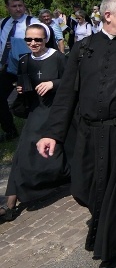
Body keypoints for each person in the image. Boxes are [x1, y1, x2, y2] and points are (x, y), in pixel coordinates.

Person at [36, 0, 116, 267]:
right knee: (84, 188)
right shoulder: (82, 49)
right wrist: (52, 133)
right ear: (108, 16)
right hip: (88, 132)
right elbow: (66, 97)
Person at [0, 24, 68, 223]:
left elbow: (73, 81)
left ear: (45, 39)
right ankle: (10, 204)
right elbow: (24, 84)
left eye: (38, 39)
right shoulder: (24, 60)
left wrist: (53, 83)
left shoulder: (58, 58)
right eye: (29, 40)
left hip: (56, 111)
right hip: (36, 111)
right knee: (21, 153)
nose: (33, 43)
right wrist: (22, 89)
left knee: (64, 153)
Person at [0, 0, 41, 143]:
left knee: (32, 99)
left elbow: (44, 41)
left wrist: (21, 43)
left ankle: (37, 132)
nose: (18, 9)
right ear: (7, 8)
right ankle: (10, 130)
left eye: (20, 5)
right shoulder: (4, 23)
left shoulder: (32, 22)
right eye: (14, 6)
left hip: (28, 67)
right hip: (9, 68)